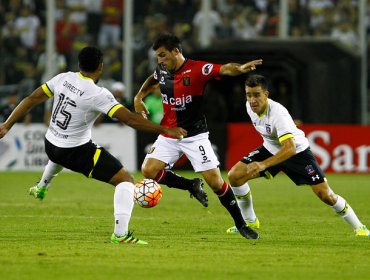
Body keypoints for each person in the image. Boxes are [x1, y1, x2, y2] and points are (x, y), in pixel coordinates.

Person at [0, 46, 187, 245]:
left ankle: (41, 187)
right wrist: (165, 130)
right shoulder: (98, 94)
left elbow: (31, 99)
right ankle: (121, 234)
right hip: (74, 151)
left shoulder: (63, 78)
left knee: (63, 151)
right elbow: (130, 120)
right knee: (125, 179)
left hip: (51, 143)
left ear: (79, 64)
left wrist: (6, 125)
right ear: (101, 67)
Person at [134, 33, 263, 240]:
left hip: (195, 136)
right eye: (158, 57)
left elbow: (224, 68)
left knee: (215, 182)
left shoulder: (197, 69)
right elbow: (153, 79)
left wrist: (238, 69)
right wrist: (139, 96)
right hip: (169, 134)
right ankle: (190, 185)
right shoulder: (162, 70)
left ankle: (241, 224)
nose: (160, 61)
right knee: (148, 170)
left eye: (163, 55)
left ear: (176, 51)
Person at [226, 74, 370, 237]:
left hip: (297, 153)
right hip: (270, 149)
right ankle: (249, 221)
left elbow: (290, 149)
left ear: (266, 94)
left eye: (257, 95)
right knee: (235, 176)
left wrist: (263, 164)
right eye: (249, 95)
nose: (252, 100)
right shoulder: (249, 106)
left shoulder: (278, 113)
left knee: (326, 195)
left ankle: (360, 227)